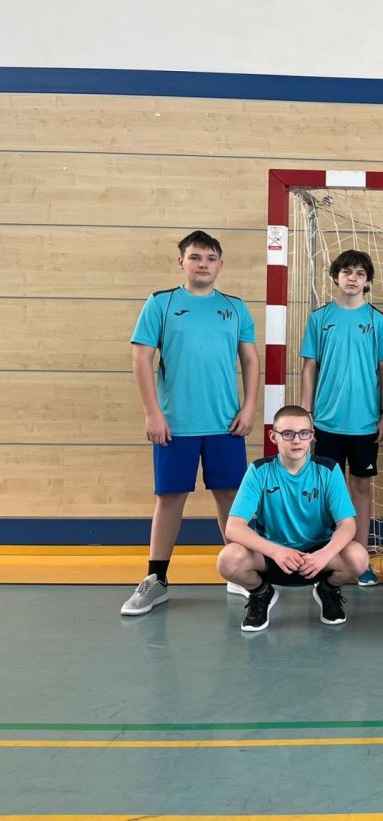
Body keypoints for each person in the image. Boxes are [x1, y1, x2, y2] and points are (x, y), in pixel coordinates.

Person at [121, 230, 259, 616]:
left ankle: (239, 572)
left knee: (231, 497)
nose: (203, 264)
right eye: (195, 257)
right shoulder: (161, 303)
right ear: (181, 262)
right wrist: (153, 412)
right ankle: (156, 579)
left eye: (211, 258)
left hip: (224, 425)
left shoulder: (235, 308)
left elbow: (250, 360)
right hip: (175, 426)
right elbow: (141, 359)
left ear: (220, 265)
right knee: (169, 499)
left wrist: (249, 407)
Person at [217, 405, 369, 631]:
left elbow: (347, 525)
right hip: (273, 556)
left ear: (312, 436)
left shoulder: (328, 470)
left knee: (359, 557)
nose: (297, 440)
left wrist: (323, 555)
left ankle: (328, 590)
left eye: (303, 433)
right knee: (228, 560)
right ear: (274, 437)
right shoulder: (259, 471)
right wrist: (276, 551)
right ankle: (261, 593)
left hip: (317, 559)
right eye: (288, 434)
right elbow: (233, 527)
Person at [299, 249, 383, 587]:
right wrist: (306, 415)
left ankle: (360, 558)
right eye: (347, 272)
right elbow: (309, 367)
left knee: (361, 488)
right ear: (336, 277)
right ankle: (324, 558)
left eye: (360, 273)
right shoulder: (319, 318)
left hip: (365, 423)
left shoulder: (379, 321)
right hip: (326, 422)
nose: (353, 278)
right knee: (325, 492)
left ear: (368, 282)